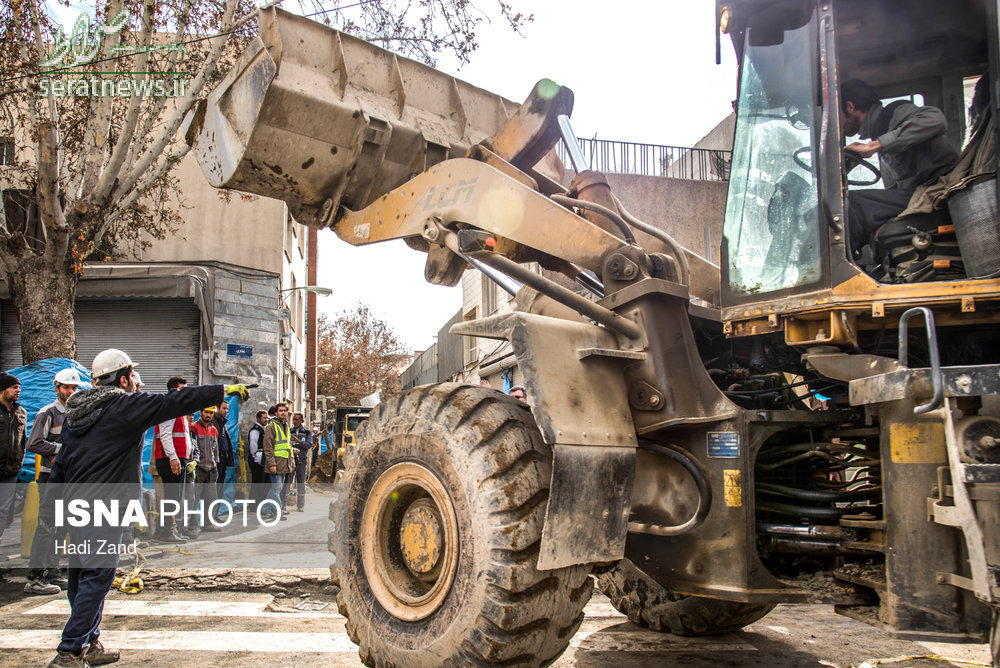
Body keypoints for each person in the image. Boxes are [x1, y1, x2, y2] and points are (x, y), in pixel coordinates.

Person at [44, 348, 249, 668]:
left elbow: (62, 464)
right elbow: (172, 402)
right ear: (122, 378)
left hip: (76, 504)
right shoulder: (123, 405)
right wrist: (220, 390)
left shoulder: (77, 414)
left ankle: (90, 642)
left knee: (80, 576)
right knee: (97, 577)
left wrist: (51, 511)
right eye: (132, 377)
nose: (135, 383)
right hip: (105, 506)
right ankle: (69, 651)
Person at [840, 78, 959, 252]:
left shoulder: (895, 113)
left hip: (936, 191)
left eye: (837, 116)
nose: (839, 126)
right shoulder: (879, 132)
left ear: (850, 106)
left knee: (852, 205)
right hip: (916, 194)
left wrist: (874, 146)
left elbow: (935, 119)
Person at [25, 368, 81, 595]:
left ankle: (52, 571)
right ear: (57, 388)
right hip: (50, 477)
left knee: (62, 526)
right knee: (47, 525)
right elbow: (34, 443)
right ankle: (35, 578)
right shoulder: (47, 413)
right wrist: (61, 449)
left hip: (69, 478)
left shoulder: (76, 413)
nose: (71, 392)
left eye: (74, 388)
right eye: (67, 387)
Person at [152, 377, 195, 542]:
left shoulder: (179, 410)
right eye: (182, 389)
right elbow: (165, 434)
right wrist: (173, 457)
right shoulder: (169, 408)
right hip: (170, 460)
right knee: (171, 497)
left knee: (174, 497)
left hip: (178, 459)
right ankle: (165, 531)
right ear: (173, 390)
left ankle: (163, 530)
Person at [0, 372, 25, 562]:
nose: (18, 390)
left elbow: (22, 442)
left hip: (10, 472)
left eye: (19, 387)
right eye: (14, 387)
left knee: (4, 513)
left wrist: (19, 463)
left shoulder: (20, 413)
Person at [189, 406, 221, 533]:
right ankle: (192, 525)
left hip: (211, 468)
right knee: (194, 499)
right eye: (206, 412)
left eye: (210, 413)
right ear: (201, 413)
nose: (208, 415)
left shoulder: (213, 429)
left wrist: (215, 464)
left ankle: (207, 524)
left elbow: (216, 450)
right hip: (199, 469)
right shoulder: (194, 428)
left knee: (210, 499)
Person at [262, 403, 292, 521]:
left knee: (276, 488)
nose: (283, 413)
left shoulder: (285, 426)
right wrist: (272, 464)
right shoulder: (271, 427)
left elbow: (287, 447)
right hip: (275, 462)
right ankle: (277, 511)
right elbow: (268, 447)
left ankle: (265, 508)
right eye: (280, 411)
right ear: (276, 413)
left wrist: (291, 463)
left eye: (284, 411)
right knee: (276, 488)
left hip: (284, 462)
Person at [211, 401, 234, 513]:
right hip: (216, 458)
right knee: (214, 489)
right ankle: (212, 515)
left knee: (219, 487)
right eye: (223, 408)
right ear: (217, 408)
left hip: (223, 458)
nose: (226, 411)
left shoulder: (221, 423)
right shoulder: (214, 422)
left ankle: (215, 514)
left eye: (227, 409)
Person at [290, 412, 313, 512]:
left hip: (301, 461)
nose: (295, 422)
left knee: (300, 483)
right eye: (294, 419)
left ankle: (300, 505)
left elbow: (308, 444)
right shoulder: (289, 431)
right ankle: (284, 504)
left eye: (297, 419)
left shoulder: (307, 432)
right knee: (287, 482)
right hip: (291, 460)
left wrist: (299, 441)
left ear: (302, 420)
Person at [246, 410, 269, 504]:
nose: (266, 420)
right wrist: (256, 457)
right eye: (264, 418)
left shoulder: (263, 429)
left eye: (267, 418)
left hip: (260, 459)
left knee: (261, 482)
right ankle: (254, 504)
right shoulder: (255, 430)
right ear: (258, 418)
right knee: (257, 482)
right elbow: (253, 445)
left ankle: (258, 502)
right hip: (257, 460)